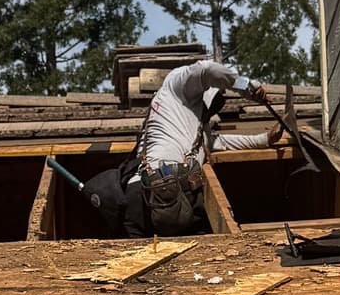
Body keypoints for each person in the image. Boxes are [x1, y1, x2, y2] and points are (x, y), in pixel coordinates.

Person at [84, 58, 273, 237]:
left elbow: (222, 143)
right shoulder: (175, 87)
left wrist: (266, 139)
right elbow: (207, 70)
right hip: (150, 195)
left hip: (181, 200)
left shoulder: (196, 129)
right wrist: (246, 86)